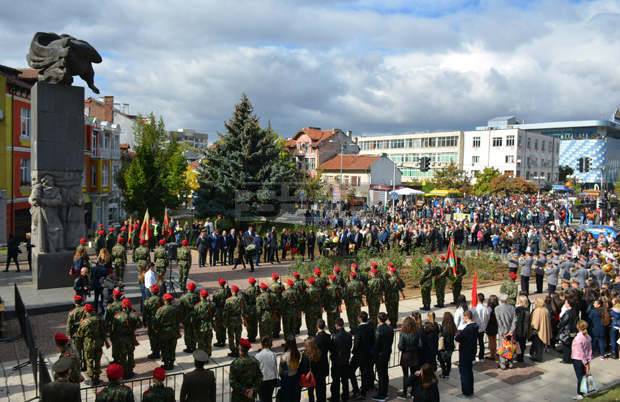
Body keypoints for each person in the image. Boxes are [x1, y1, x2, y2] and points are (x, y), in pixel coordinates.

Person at [75, 303, 106, 385]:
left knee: (89, 360)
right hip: (98, 342)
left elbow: (79, 334)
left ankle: (92, 379)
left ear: (86, 311)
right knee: (97, 360)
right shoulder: (99, 319)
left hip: (88, 343)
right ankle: (97, 378)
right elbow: (103, 330)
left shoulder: (84, 322)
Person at [230, 338, 263, 402]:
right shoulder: (254, 361)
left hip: (238, 397)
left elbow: (232, 382)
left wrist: (244, 390)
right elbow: (259, 377)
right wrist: (252, 389)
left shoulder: (235, 363)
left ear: (239, 347)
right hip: (250, 396)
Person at [351, 311, 375, 399]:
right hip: (368, 354)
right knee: (365, 372)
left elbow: (356, 344)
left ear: (360, 318)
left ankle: (357, 390)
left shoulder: (358, 329)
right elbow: (373, 341)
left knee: (351, 371)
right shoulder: (371, 328)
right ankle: (365, 389)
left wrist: (353, 352)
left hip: (359, 355)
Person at [455, 310, 478, 398]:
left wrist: (459, 333)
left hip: (465, 353)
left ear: (466, 317)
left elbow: (458, 338)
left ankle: (466, 391)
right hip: (471, 352)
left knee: (464, 373)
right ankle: (470, 390)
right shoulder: (475, 326)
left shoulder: (467, 329)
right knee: (469, 372)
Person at [155, 293, 180, 370]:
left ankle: (166, 364)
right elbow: (178, 320)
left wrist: (156, 330)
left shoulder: (160, 310)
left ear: (164, 300)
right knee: (172, 348)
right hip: (173, 331)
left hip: (164, 332)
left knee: (164, 348)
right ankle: (171, 363)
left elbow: (156, 321)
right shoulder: (175, 309)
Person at [373, 312, 394, 401]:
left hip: (380, 355)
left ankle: (382, 394)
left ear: (379, 319)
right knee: (384, 374)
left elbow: (376, 345)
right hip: (387, 353)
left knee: (381, 375)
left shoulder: (379, 330)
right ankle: (384, 391)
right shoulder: (390, 328)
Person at [330, 317, 352, 402]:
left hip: (337, 362)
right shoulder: (349, 335)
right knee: (345, 380)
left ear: (336, 325)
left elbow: (332, 349)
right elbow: (349, 346)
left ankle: (335, 398)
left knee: (336, 381)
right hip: (345, 361)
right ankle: (345, 397)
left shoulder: (335, 337)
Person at [398, 316, 421, 398]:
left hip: (405, 356)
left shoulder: (403, 334)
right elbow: (420, 345)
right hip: (414, 356)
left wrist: (406, 348)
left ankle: (405, 392)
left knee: (405, 375)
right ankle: (413, 392)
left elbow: (400, 347)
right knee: (413, 374)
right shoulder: (417, 332)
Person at [571, 320, 592, 400]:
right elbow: (590, 349)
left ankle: (580, 394)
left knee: (580, 377)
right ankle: (583, 392)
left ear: (578, 327)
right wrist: (588, 360)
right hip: (585, 359)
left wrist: (585, 362)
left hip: (578, 360)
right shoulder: (588, 337)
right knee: (583, 376)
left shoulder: (578, 338)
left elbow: (580, 352)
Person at [279, 337, 302, 402]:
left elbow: (280, 371)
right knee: (295, 397)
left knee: (287, 398)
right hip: (296, 377)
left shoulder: (284, 356)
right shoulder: (298, 353)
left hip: (287, 379)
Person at [256, 336, 278, 402]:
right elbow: (275, 367)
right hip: (271, 380)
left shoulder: (258, 355)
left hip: (262, 381)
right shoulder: (273, 354)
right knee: (269, 398)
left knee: (262, 399)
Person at [529, 297, 552, 362]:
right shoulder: (545, 309)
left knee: (537, 345)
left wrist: (532, 328)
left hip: (538, 331)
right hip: (543, 330)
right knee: (540, 345)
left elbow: (535, 323)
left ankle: (538, 357)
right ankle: (536, 355)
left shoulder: (537, 310)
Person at [313, 319, 331, 402]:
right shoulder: (328, 336)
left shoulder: (316, 339)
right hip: (325, 363)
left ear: (317, 327)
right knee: (323, 384)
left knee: (318, 386)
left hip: (317, 365)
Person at [224, 285, 244, 357]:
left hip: (231, 320)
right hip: (238, 320)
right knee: (238, 336)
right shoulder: (241, 299)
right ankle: (239, 349)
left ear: (232, 291)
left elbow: (226, 313)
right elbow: (243, 310)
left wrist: (225, 322)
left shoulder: (228, 300)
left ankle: (233, 351)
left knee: (231, 336)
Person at [144, 284, 162, 359]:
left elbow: (145, 313)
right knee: (159, 336)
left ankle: (155, 352)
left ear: (151, 292)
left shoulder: (147, 301)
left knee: (152, 337)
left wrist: (144, 322)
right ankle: (159, 350)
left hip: (151, 321)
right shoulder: (161, 299)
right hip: (160, 320)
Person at [558, 298, 579, 364]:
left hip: (567, 331)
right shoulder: (574, 311)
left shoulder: (568, 313)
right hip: (573, 330)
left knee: (566, 346)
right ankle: (570, 358)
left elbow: (563, 322)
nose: (565, 304)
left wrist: (559, 325)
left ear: (569, 304)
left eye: (566, 303)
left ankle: (566, 359)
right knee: (570, 345)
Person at [438, 311, 457, 378]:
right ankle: (447, 373)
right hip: (451, 347)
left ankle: (444, 373)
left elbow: (443, 337)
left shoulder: (445, 328)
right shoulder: (453, 326)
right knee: (449, 361)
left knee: (441, 360)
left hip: (445, 347)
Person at [472, 293, 490, 361]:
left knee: (474, 344)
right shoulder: (486, 309)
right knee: (481, 343)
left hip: (475, 328)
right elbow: (487, 318)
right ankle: (481, 356)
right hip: (482, 328)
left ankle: (473, 357)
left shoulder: (474, 309)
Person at [514, 295, 531, 362]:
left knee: (518, 344)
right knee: (522, 343)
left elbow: (516, 320)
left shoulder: (518, 309)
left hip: (518, 329)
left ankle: (518, 356)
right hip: (524, 330)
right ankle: (521, 357)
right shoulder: (527, 310)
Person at [485, 295, 499, 361]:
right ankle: (494, 353)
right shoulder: (498, 307)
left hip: (490, 325)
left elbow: (486, 318)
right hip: (495, 325)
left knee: (491, 341)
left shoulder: (489, 308)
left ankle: (492, 355)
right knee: (494, 340)